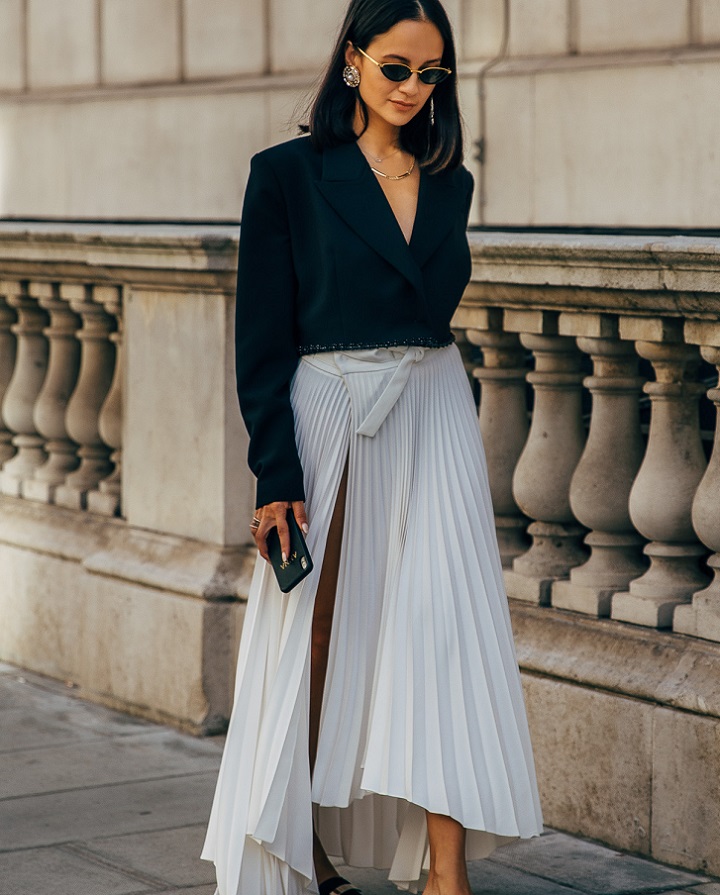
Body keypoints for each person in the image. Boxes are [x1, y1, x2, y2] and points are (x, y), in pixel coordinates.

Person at [201, 0, 543, 892]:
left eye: (432, 74)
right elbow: (263, 337)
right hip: (327, 408)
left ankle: (447, 867)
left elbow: (429, 312)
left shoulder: (451, 182)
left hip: (431, 405)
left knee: (444, 627)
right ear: (353, 60)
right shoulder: (286, 175)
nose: (413, 89)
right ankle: (295, 836)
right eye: (397, 67)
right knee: (311, 633)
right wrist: (274, 468)